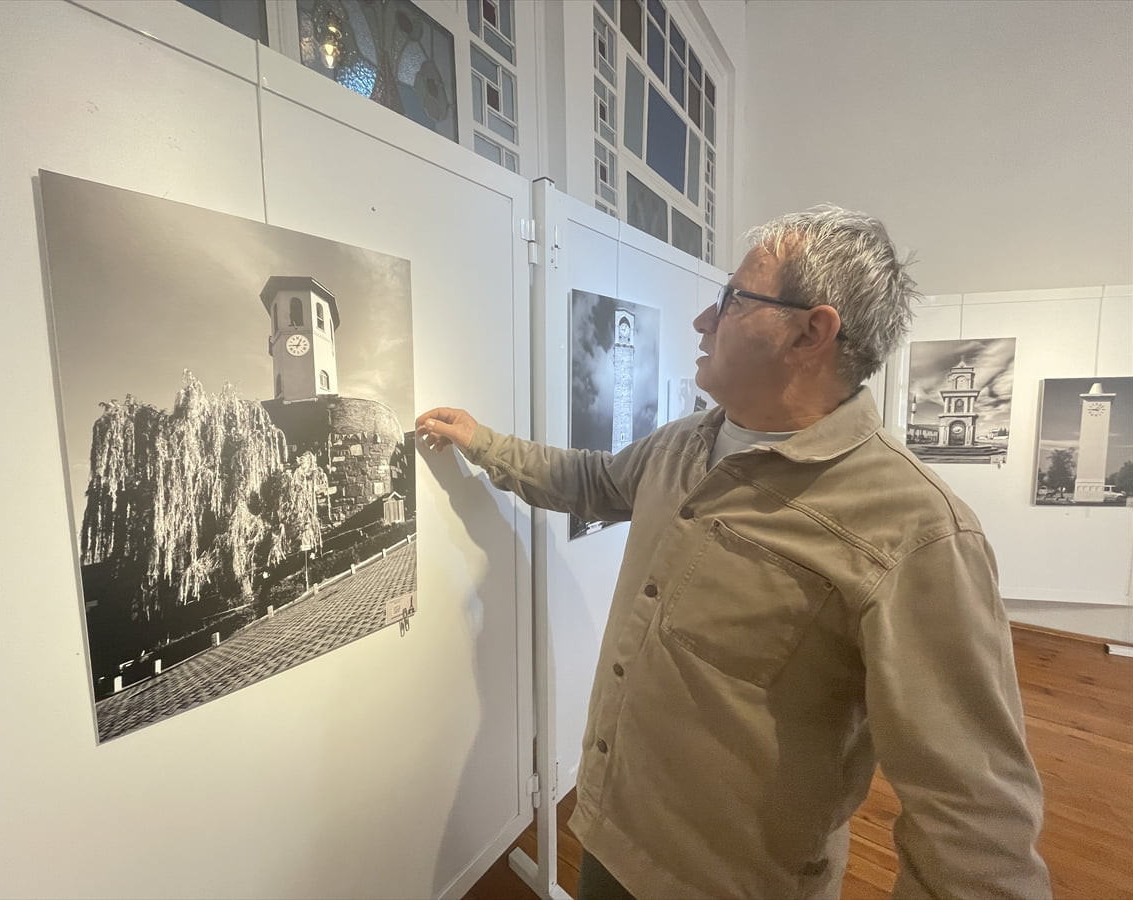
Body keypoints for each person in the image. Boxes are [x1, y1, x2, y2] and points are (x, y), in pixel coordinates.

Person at [416, 206, 1049, 900]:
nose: (702, 322)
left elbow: (973, 818)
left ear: (812, 333)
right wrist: (485, 444)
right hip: (610, 835)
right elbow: (593, 481)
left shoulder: (916, 531)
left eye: (732, 301)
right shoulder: (686, 442)